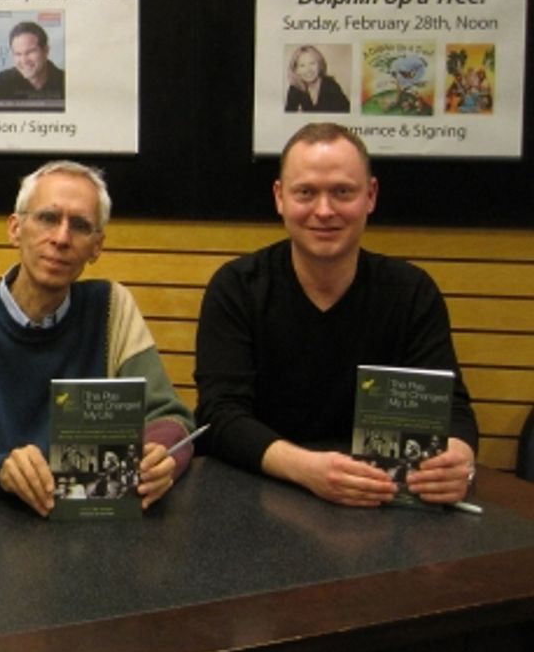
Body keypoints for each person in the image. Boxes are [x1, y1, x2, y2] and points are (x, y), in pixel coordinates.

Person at [194, 122, 479, 507]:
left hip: (382, 503)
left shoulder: (412, 292)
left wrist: (459, 460)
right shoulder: (236, 288)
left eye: (342, 192)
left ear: (371, 196)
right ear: (280, 197)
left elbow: (452, 411)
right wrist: (307, 469)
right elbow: (219, 417)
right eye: (306, 193)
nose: (324, 211)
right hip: (259, 498)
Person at [0, 160, 196, 517]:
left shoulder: (111, 308)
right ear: (15, 228)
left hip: (92, 533)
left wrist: (159, 455)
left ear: (97, 247)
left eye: (81, 226)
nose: (61, 238)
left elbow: (170, 416)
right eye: (47, 218)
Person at [0, 21, 65, 111]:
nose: (24, 60)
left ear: (46, 51)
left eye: (30, 52)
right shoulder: (3, 82)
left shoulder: (65, 81)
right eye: (18, 54)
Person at [284, 45, 349, 113]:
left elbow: (346, 113)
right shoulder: (295, 89)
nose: (308, 70)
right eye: (302, 65)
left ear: (319, 65)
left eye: (312, 63)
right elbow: (287, 116)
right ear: (296, 70)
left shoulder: (330, 85)